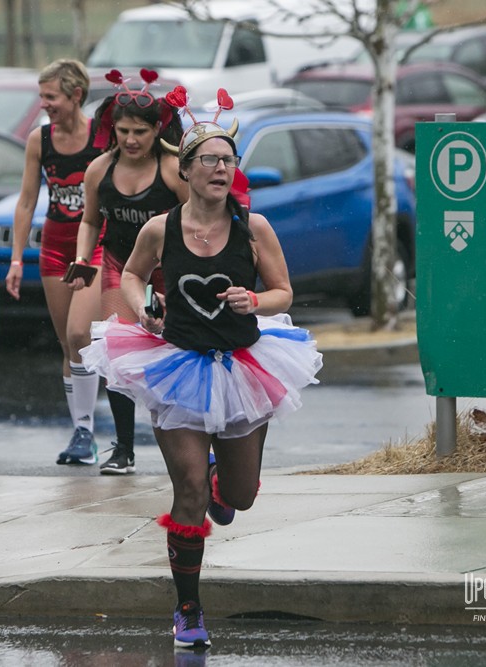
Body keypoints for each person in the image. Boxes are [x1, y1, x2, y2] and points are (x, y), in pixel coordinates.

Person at [80, 95, 323, 648]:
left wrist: (254, 302)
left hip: (243, 367)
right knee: (187, 490)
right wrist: (142, 306)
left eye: (228, 161)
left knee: (239, 497)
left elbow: (285, 291)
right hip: (178, 367)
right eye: (209, 160)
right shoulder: (160, 229)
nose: (220, 169)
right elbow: (132, 277)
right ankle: (187, 610)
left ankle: (223, 479)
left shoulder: (253, 227)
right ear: (184, 170)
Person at [67, 69, 187, 475]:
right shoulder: (98, 169)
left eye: (140, 131)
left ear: (158, 130)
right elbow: (88, 221)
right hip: (120, 265)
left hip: (168, 271)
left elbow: (201, 215)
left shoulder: (172, 170)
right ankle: (123, 448)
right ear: (111, 129)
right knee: (117, 352)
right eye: (123, 131)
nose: (131, 140)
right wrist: (84, 258)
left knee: (176, 351)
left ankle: (192, 438)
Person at [5, 59, 105, 466]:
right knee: (68, 341)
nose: (44, 104)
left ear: (75, 95)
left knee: (83, 334)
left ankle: (95, 428)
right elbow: (27, 200)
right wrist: (16, 258)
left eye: (51, 97)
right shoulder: (38, 140)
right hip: (54, 247)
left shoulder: (103, 136)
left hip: (95, 245)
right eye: (41, 96)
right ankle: (82, 431)